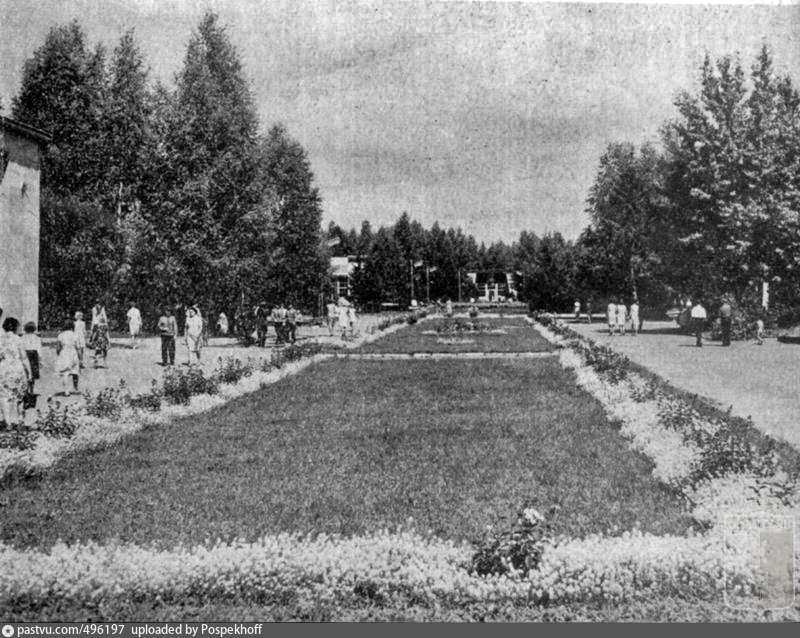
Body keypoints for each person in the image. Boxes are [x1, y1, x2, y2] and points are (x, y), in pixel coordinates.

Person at [0, 315, 31, 426]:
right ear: (15, 327)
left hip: (4, 369)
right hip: (18, 369)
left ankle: (7, 422)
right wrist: (30, 372)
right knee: (20, 395)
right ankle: (20, 419)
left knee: (4, 396)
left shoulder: (0, 339)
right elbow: (24, 357)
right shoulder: (18, 339)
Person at [55, 317, 81, 395]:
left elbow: (58, 348)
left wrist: (59, 354)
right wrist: (80, 358)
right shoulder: (75, 335)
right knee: (75, 371)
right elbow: (78, 347)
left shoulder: (60, 335)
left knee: (65, 373)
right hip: (73, 353)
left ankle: (66, 391)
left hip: (64, 353)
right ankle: (75, 387)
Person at [21, 322, 42, 399]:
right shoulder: (37, 338)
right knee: (33, 373)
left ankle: (26, 389)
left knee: (26, 372)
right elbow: (39, 349)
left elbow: (21, 348)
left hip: (26, 354)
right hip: (34, 355)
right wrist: (40, 359)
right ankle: (31, 389)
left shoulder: (23, 337)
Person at [89, 301, 110, 368]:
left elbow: (94, 320)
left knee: (98, 351)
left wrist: (92, 339)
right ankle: (104, 362)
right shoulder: (99, 309)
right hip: (102, 338)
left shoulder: (96, 309)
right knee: (104, 351)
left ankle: (97, 362)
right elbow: (106, 333)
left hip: (99, 337)